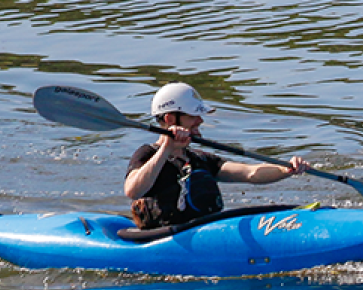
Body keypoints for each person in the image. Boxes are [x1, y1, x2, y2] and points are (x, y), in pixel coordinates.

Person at [124, 83, 310, 229]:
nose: (200, 120)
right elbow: (133, 191)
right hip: (166, 236)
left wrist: (286, 170)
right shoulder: (147, 154)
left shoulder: (200, 159)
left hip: (206, 231)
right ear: (170, 119)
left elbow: (249, 173)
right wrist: (166, 148)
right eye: (193, 116)